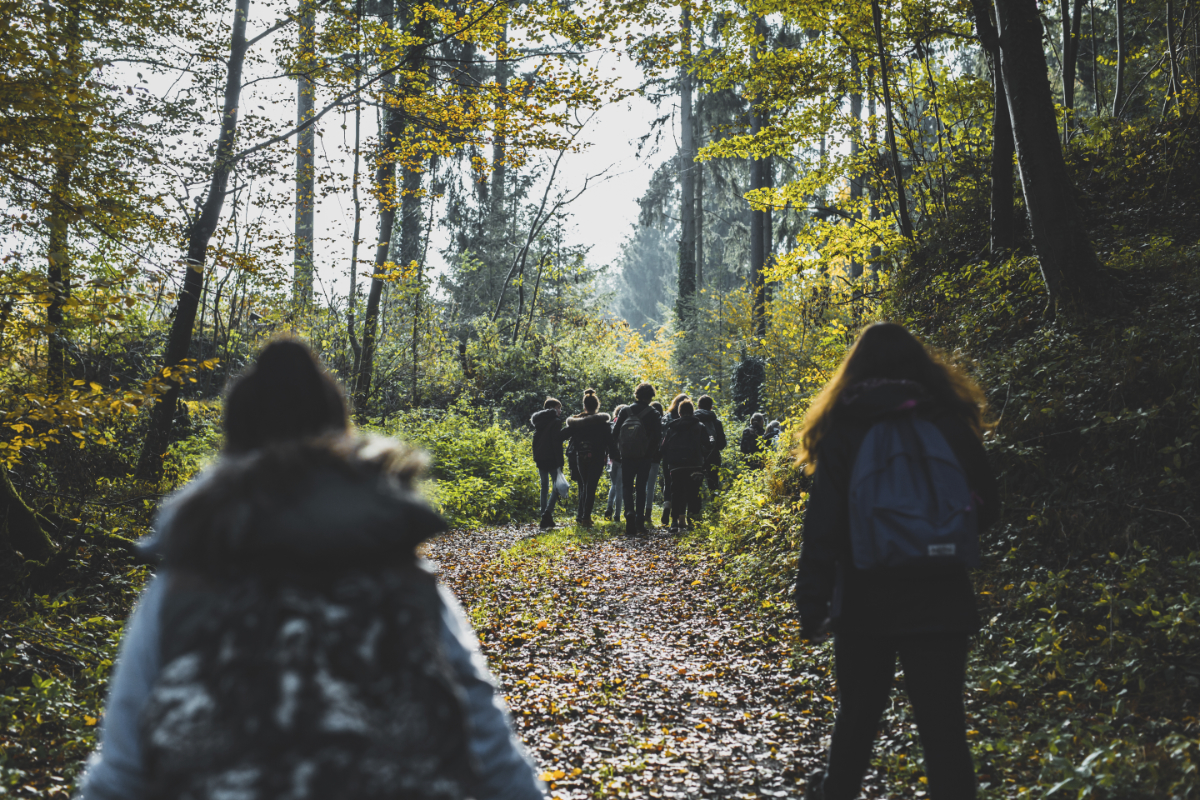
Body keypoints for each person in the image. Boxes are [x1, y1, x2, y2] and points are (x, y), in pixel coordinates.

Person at [76, 337, 543, 800]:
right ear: (339, 431)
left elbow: (119, 775)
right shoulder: (401, 574)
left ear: (235, 440)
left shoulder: (185, 582)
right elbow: (489, 747)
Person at [791, 322, 999, 800]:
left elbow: (823, 526)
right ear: (920, 365)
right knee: (944, 729)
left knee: (856, 724)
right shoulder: (947, 419)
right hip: (941, 594)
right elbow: (987, 508)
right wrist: (934, 537)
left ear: (855, 369)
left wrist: (812, 600)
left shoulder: (844, 426)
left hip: (866, 597)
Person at [611, 382, 662, 536]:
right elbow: (658, 438)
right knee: (641, 488)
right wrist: (650, 454)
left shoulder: (625, 411)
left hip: (627, 456)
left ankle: (629, 514)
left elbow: (614, 434)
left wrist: (618, 453)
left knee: (626, 486)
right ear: (651, 396)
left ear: (636, 394)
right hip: (644, 457)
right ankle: (640, 521)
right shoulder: (654, 414)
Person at [660, 399, 711, 532]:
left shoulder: (672, 426)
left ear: (680, 412)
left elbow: (664, 447)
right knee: (694, 493)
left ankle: (674, 523)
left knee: (676, 493)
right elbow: (708, 445)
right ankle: (693, 522)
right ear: (692, 411)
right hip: (695, 464)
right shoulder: (700, 426)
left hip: (676, 466)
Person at [565, 389, 610, 527]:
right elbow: (610, 442)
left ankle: (582, 516)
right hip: (597, 457)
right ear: (597, 406)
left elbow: (561, 435)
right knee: (591, 487)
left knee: (584, 485)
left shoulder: (577, 422)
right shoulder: (603, 424)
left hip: (581, 457)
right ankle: (586, 517)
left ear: (584, 406)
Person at [531, 397, 569, 529]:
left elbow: (535, 440)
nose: (560, 411)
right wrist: (561, 462)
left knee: (544, 487)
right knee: (557, 487)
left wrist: (536, 456)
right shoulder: (556, 421)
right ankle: (547, 514)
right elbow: (556, 443)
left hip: (540, 458)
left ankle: (544, 516)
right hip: (552, 458)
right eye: (558, 408)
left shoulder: (539, 421)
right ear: (552, 408)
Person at [660, 393, 690, 527]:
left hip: (669, 455)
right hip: (686, 457)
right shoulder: (691, 421)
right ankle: (680, 517)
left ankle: (667, 504)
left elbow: (662, 436)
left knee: (668, 482)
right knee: (683, 487)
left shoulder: (667, 418)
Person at [694, 395, 727, 494]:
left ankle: (695, 508)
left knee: (696, 487)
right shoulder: (716, 422)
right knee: (713, 485)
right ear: (711, 407)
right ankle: (714, 508)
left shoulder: (694, 420)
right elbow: (722, 444)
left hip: (696, 458)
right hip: (713, 457)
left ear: (698, 406)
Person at [643, 400, 666, 528]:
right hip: (656, 457)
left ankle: (639, 511)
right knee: (650, 486)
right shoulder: (662, 423)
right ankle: (648, 512)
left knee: (642, 484)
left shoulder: (646, 422)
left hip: (644, 455)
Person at [604, 404, 627, 522]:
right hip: (623, 459)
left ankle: (609, 507)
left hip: (611, 459)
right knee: (620, 487)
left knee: (613, 485)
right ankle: (617, 515)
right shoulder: (626, 424)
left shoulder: (611, 424)